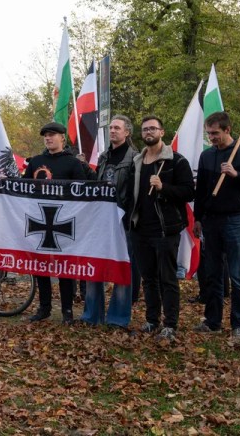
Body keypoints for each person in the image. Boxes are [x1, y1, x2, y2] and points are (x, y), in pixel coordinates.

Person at [193, 112, 240, 344]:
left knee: (236, 275)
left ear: (228, 130)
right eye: (209, 133)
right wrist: (198, 218)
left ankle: (239, 324)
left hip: (235, 219)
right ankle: (213, 320)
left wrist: (236, 174)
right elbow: (200, 189)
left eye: (215, 133)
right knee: (212, 273)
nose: (212, 137)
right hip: (210, 220)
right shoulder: (206, 156)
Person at [127, 116, 195, 341]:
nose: (148, 132)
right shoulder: (137, 160)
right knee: (148, 279)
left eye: (153, 128)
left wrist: (163, 187)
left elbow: (188, 192)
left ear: (162, 132)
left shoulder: (176, 161)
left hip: (166, 229)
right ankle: (151, 320)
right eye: (145, 129)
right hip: (140, 229)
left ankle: (170, 324)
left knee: (167, 278)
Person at [23, 122, 87, 325]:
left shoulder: (73, 163)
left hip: (64, 222)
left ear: (62, 138)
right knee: (40, 266)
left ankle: (67, 309)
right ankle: (44, 307)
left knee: (65, 268)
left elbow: (83, 192)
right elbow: (22, 188)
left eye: (52, 135)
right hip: (39, 221)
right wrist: (4, 184)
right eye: (45, 135)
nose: (48, 138)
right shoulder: (35, 162)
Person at [80, 115, 138, 328]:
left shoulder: (135, 158)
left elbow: (134, 192)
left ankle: (118, 318)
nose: (112, 131)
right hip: (100, 221)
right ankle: (92, 315)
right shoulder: (104, 157)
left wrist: (130, 217)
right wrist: (86, 168)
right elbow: (98, 184)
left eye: (117, 128)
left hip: (123, 221)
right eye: (111, 127)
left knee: (122, 269)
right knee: (94, 266)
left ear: (127, 132)